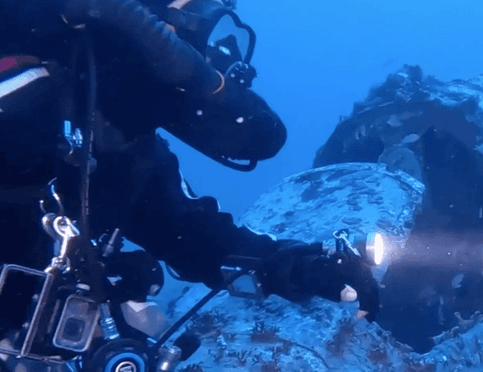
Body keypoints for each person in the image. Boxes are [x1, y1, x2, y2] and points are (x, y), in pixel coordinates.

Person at [0, 0, 381, 331]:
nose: (211, 53)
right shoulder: (21, 83)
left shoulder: (128, 148)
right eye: (201, 19)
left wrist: (297, 267)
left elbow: (192, 235)